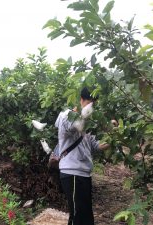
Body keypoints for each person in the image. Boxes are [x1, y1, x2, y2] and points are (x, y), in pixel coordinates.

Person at [55, 87, 116, 225]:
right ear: (81, 100)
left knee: (86, 217)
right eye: (90, 103)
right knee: (78, 217)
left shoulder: (89, 124)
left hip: (84, 174)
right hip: (72, 173)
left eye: (95, 104)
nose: (93, 107)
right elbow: (76, 126)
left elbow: (97, 146)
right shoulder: (67, 116)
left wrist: (114, 136)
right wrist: (104, 124)